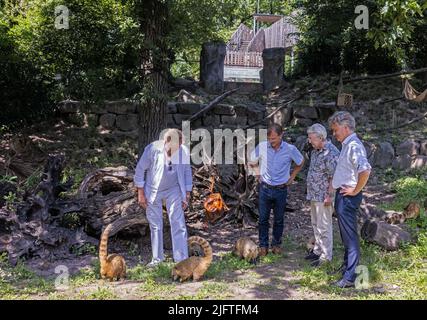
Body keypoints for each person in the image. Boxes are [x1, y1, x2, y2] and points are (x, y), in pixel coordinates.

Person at [134, 129, 192, 267]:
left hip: (174, 189)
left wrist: (187, 194)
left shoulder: (183, 151)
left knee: (178, 222)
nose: (176, 149)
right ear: (166, 141)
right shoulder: (153, 149)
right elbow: (140, 169)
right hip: (153, 189)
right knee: (155, 225)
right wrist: (140, 193)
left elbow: (187, 172)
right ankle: (157, 259)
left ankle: (181, 259)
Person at [328, 111, 371, 288]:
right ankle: (347, 268)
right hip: (343, 196)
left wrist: (354, 190)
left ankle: (351, 277)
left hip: (348, 197)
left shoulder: (354, 145)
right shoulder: (347, 144)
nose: (334, 133)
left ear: (345, 128)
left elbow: (365, 170)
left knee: (350, 236)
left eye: (335, 129)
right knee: (346, 236)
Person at [249, 123, 304, 256]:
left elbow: (300, 162)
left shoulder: (290, 149)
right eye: (269, 138)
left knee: (279, 219)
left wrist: (292, 178)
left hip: (281, 189)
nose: (271, 141)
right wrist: (258, 175)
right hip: (265, 188)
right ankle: (263, 245)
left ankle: (276, 244)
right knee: (263, 219)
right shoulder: (262, 146)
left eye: (273, 138)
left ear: (281, 136)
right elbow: (251, 161)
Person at [306, 123, 340, 267]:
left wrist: (329, 196)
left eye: (312, 138)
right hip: (314, 194)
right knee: (316, 224)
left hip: (324, 196)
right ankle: (317, 250)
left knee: (324, 226)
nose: (309, 141)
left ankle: (326, 256)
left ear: (321, 138)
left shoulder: (331, 152)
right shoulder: (315, 151)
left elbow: (334, 177)